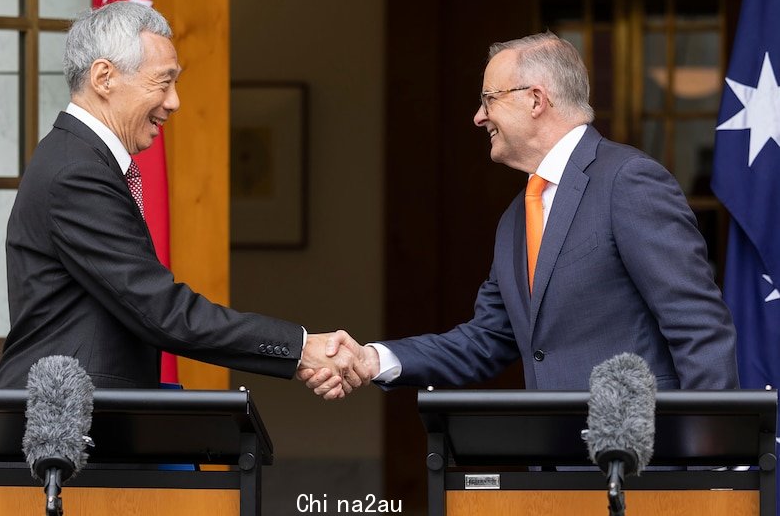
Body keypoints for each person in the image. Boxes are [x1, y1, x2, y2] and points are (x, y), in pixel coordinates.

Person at [300, 32, 739, 397]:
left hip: (645, 465)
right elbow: (487, 339)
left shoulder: (627, 180)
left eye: (489, 99)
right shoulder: (517, 216)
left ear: (535, 99)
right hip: (553, 470)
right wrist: (370, 359)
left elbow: (697, 325)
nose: (477, 117)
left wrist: (711, 458)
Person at [0, 1, 359, 395]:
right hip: (68, 430)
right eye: (163, 82)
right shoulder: (76, 172)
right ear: (104, 77)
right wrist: (302, 347)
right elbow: (160, 310)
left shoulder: (76, 158)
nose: (173, 102)